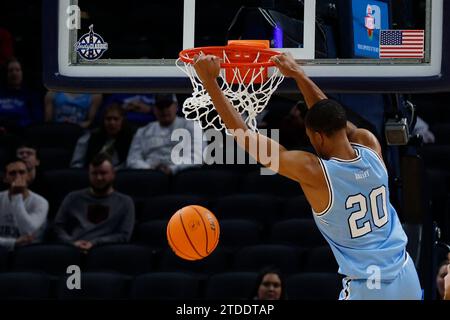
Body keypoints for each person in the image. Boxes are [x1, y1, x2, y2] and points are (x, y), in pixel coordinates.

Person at [193, 52, 421, 300]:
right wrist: (298, 74)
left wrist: (210, 82)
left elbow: (245, 136)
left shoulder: (315, 172)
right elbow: (331, 114)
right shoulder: (370, 146)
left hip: (370, 285)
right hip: (405, 271)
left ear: (317, 137)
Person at [53, 153, 135, 251]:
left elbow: (124, 235)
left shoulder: (125, 202)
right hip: (74, 248)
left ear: (113, 174)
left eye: (103, 173)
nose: (99, 178)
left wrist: (95, 243)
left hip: (106, 251)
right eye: (94, 173)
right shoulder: (73, 198)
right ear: (89, 174)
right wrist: (71, 242)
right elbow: (58, 226)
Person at [126, 93, 203, 175]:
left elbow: (198, 157)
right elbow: (132, 159)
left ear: (176, 106)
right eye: (160, 107)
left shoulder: (192, 126)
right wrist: (150, 168)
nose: (164, 110)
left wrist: (172, 169)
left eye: (167, 106)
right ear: (154, 109)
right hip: (150, 175)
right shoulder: (143, 131)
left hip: (182, 175)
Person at [0, 158, 48, 251]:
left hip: (30, 252)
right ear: (5, 178)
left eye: (22, 172)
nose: (18, 177)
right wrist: (13, 243)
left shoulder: (41, 202)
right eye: (12, 173)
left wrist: (17, 196)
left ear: (28, 176)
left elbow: (27, 231)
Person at [71, 103, 136, 169]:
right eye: (108, 119)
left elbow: (129, 163)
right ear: (103, 120)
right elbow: (76, 164)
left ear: (123, 121)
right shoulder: (90, 137)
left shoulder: (131, 139)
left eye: (116, 119)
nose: (112, 123)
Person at [0, 58, 41, 132]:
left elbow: (37, 120)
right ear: (6, 74)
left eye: (17, 70)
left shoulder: (31, 95)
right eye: (11, 70)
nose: (14, 73)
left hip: (22, 134)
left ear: (22, 73)